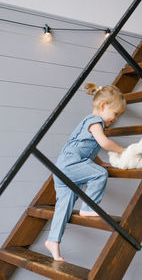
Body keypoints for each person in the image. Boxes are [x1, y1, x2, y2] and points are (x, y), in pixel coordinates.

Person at [45, 82, 126, 261]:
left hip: (63, 167)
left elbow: (87, 148)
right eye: (115, 114)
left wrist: (100, 161)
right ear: (104, 106)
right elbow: (104, 143)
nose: (116, 119)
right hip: (70, 165)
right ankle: (88, 208)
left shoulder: (90, 123)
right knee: (99, 174)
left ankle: (53, 242)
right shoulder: (95, 121)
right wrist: (123, 151)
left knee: (64, 207)